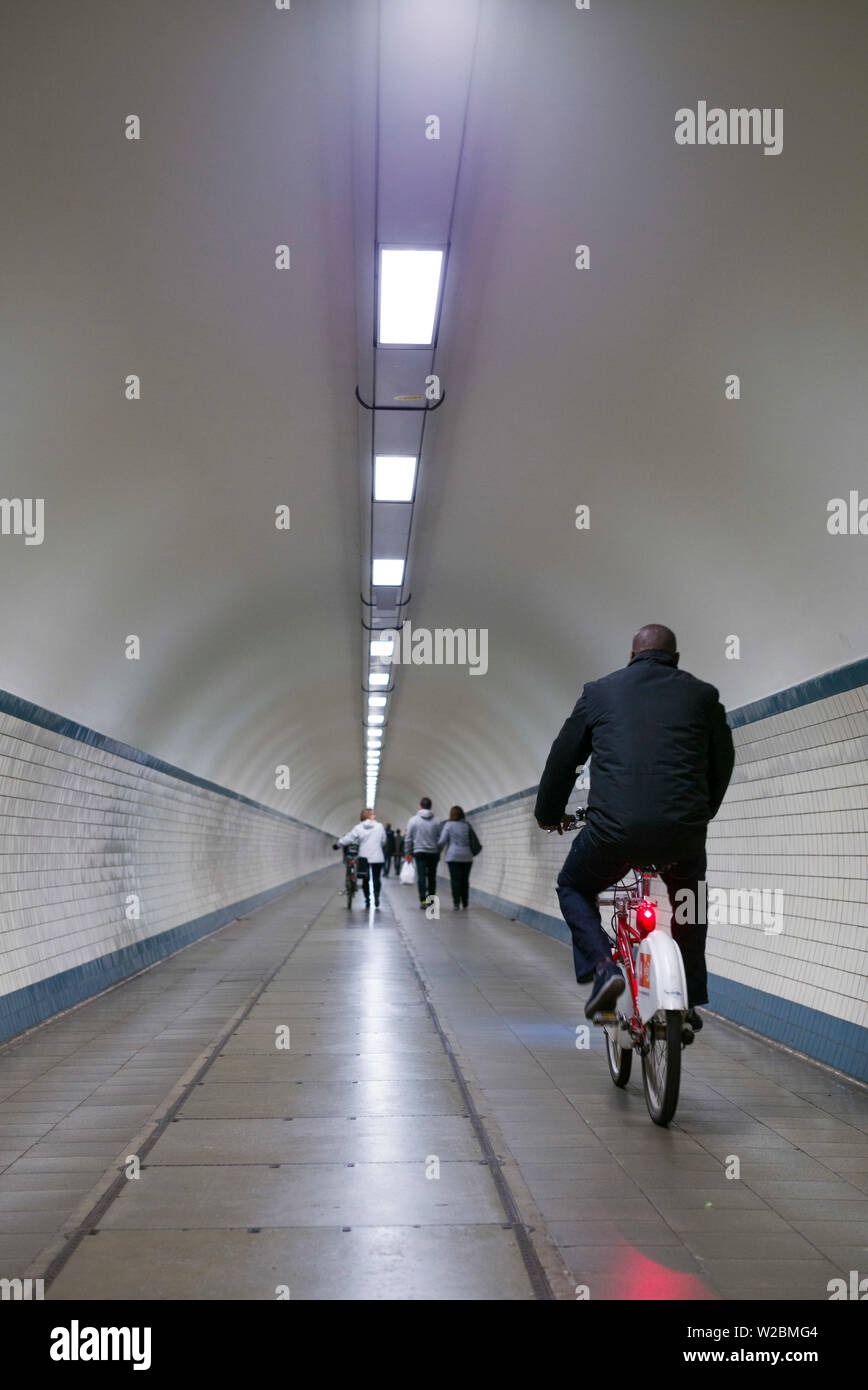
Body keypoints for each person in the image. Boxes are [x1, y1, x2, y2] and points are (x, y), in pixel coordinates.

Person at [535, 625, 734, 1024]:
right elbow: (722, 762)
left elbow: (564, 759)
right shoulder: (704, 695)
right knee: (689, 902)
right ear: (676, 659)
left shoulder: (600, 692)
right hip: (683, 835)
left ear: (631, 656)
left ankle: (604, 968)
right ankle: (690, 996)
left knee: (573, 885)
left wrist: (549, 814)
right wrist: (701, 813)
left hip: (613, 835)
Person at [339, 808, 387, 909]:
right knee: (376, 878)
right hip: (377, 857)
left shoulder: (359, 827)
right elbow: (383, 841)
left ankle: (368, 900)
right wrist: (378, 846)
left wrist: (339, 843)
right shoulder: (379, 826)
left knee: (366, 879)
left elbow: (349, 838)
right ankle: (377, 896)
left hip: (364, 856)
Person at [404, 797, 442, 909]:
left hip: (419, 851)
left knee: (421, 876)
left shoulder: (413, 820)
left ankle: (423, 901)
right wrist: (438, 849)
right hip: (433, 852)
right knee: (431, 876)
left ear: (420, 806)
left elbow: (408, 838)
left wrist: (407, 853)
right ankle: (431, 901)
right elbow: (441, 837)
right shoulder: (437, 820)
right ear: (430, 807)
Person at [438, 806, 478, 910]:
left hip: (453, 856)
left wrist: (436, 850)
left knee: (455, 880)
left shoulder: (448, 825)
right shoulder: (467, 825)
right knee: (465, 880)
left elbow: (442, 841)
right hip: (467, 857)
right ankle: (465, 902)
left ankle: (456, 903)